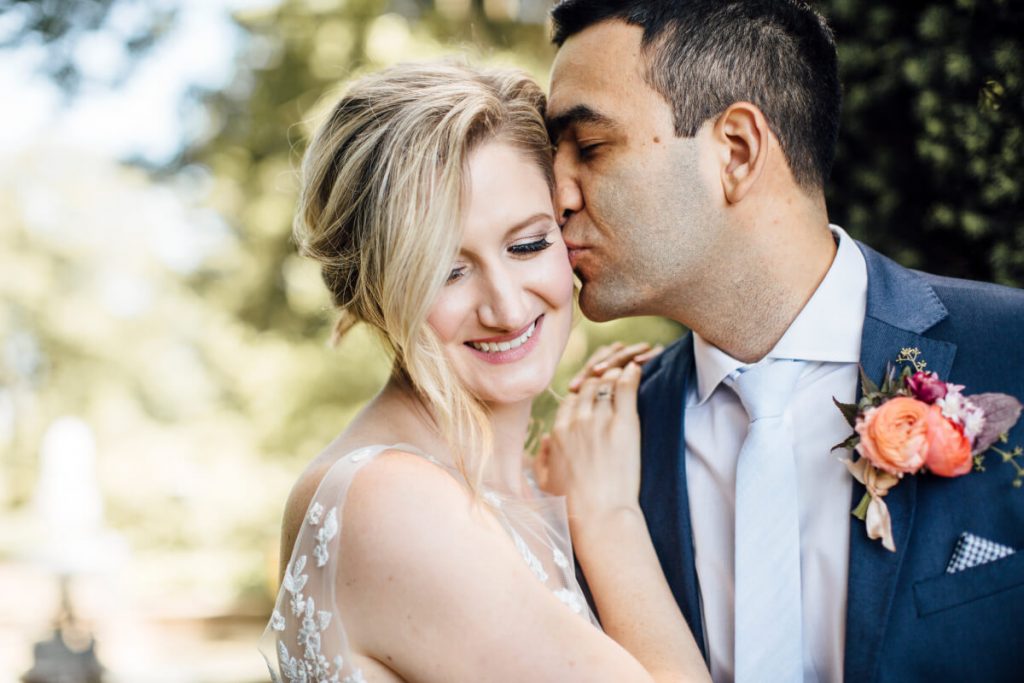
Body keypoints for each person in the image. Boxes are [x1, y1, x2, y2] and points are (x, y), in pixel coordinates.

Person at [545, 1, 1024, 682]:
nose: (555, 195)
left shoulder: (1011, 351)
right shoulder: (604, 455)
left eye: (589, 148)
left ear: (736, 150)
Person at [258, 61, 710, 682]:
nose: (507, 307)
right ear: (375, 289)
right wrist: (607, 518)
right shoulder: (388, 503)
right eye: (447, 270)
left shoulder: (525, 480)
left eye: (527, 245)